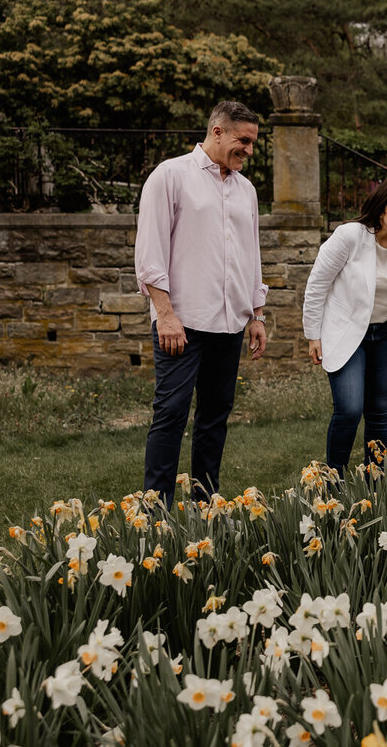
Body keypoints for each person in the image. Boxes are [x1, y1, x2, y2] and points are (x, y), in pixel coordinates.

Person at [134, 100, 268, 507]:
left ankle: (205, 503)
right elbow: (150, 252)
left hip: (230, 323)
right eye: (242, 141)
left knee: (214, 418)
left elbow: (251, 254)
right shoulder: (171, 175)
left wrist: (256, 314)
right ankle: (156, 511)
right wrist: (166, 315)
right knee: (171, 414)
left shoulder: (246, 190)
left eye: (252, 143)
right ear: (217, 132)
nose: (248, 149)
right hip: (182, 323)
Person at [303, 180, 387, 481]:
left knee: (380, 411)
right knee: (349, 409)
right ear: (380, 210)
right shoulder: (349, 237)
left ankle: (375, 481)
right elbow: (317, 285)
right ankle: (335, 481)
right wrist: (312, 335)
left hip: (386, 337)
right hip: (347, 335)